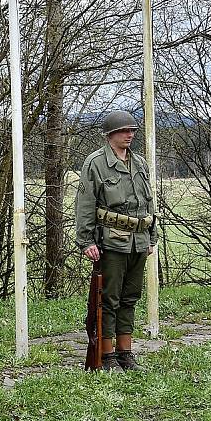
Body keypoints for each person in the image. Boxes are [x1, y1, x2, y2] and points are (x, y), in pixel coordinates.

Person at [75, 110, 156, 372]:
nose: (130, 135)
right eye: (124, 131)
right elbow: (85, 204)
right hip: (111, 241)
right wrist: (86, 240)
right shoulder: (96, 163)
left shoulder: (139, 163)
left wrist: (152, 236)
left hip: (139, 239)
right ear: (110, 134)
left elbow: (148, 201)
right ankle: (107, 355)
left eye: (132, 130)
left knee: (130, 297)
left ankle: (125, 353)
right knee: (108, 299)